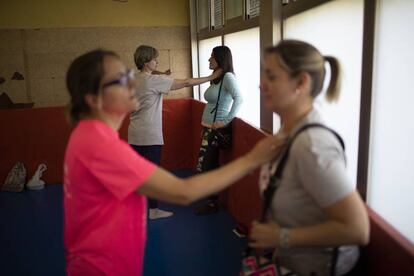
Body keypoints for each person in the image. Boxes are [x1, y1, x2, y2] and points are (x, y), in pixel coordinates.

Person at [63, 49, 285, 276]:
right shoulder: (102, 148)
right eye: (121, 79)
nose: (132, 83)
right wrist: (252, 159)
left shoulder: (87, 134)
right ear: (94, 99)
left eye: (127, 74)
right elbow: (183, 192)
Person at [249, 40, 370, 276]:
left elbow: (357, 229)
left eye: (271, 77)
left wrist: (281, 236)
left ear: (302, 82)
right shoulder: (288, 133)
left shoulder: (312, 145)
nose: (261, 85)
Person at [129, 45, 223, 220]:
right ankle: (153, 210)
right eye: (155, 59)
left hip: (134, 135)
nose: (157, 61)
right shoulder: (154, 82)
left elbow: (149, 78)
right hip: (150, 136)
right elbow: (186, 82)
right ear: (147, 61)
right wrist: (212, 76)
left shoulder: (133, 78)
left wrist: (161, 73)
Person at [195, 45, 243, 215]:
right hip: (208, 128)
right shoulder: (217, 78)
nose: (209, 59)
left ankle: (212, 202)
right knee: (208, 165)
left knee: (208, 165)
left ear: (221, 59)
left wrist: (225, 121)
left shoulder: (228, 77)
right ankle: (210, 200)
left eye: (212, 57)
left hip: (216, 130)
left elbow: (239, 98)